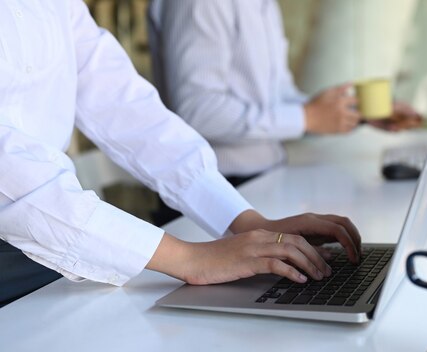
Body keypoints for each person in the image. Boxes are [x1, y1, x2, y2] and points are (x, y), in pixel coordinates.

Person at [0, 0, 361, 307]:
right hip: (41, 236)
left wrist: (244, 221)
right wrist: (190, 257)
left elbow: (124, 105)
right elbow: (11, 172)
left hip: (54, 244)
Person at [147, 0, 422, 187]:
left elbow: (277, 99)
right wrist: (306, 118)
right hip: (214, 189)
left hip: (263, 182)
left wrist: (355, 113)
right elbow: (199, 111)